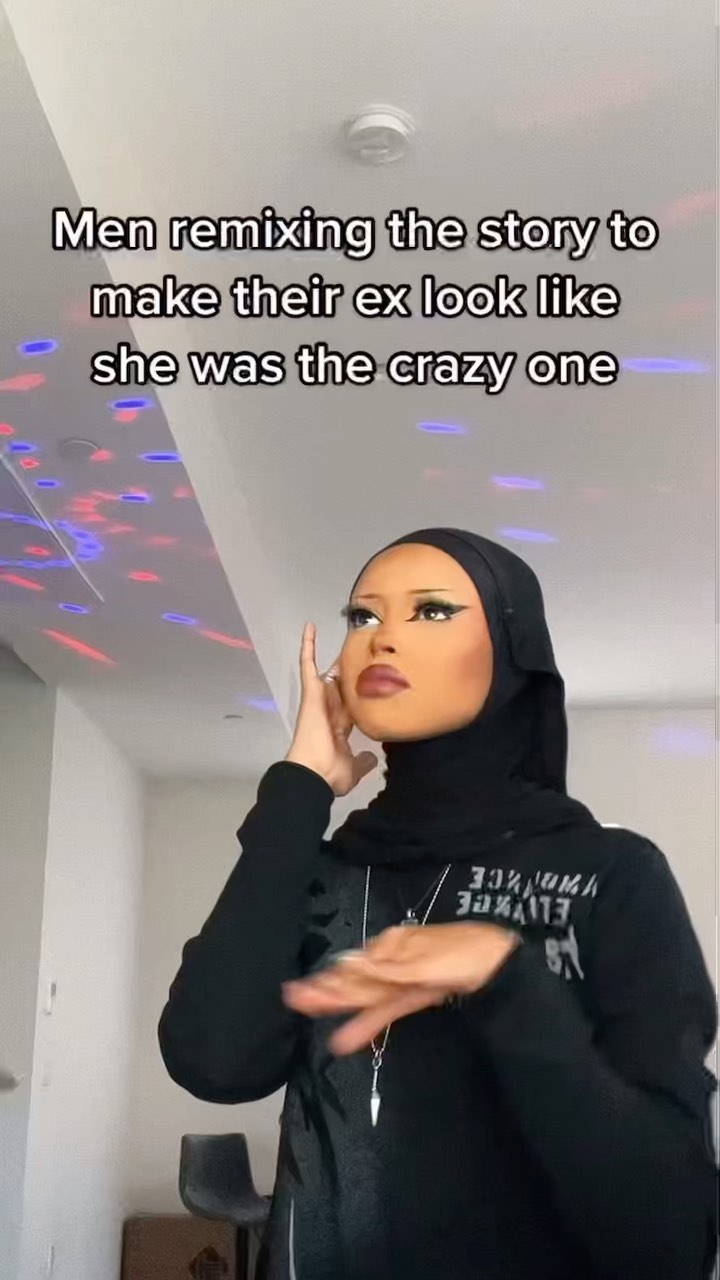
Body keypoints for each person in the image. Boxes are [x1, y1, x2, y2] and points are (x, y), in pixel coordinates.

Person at [158, 528, 718, 1280]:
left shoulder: (607, 873)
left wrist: (509, 984)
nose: (383, 637)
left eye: (431, 611)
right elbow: (212, 1064)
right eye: (363, 616)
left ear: (511, 653)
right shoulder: (320, 868)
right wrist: (298, 790)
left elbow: (672, 1235)